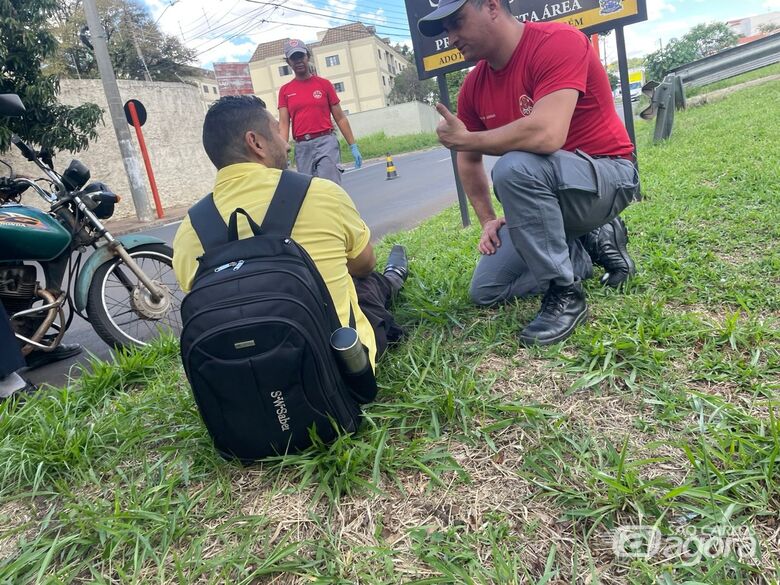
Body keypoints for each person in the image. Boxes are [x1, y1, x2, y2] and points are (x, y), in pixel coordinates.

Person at [418, 0, 640, 345]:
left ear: (492, 6)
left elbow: (546, 134)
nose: (451, 38)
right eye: (446, 30)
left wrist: (468, 138)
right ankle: (579, 254)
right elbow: (468, 156)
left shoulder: (557, 41)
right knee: (487, 289)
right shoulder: (474, 85)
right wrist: (487, 219)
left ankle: (565, 294)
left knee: (514, 168)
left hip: (609, 175)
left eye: (457, 22)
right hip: (550, 192)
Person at [172, 95, 406, 370]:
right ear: (256, 142)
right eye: (277, 131)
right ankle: (394, 277)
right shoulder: (321, 192)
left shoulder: (189, 229)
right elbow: (364, 263)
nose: (287, 142)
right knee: (365, 283)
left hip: (242, 374)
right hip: (342, 367)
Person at [278, 39, 363, 185]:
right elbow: (284, 123)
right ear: (288, 62)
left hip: (325, 142)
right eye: (293, 58)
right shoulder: (285, 91)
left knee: (330, 187)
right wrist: (282, 151)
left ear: (308, 57)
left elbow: (340, 118)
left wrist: (353, 145)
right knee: (309, 190)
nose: (298, 61)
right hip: (302, 146)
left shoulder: (324, 85)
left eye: (301, 56)